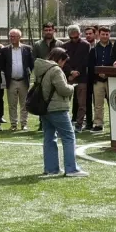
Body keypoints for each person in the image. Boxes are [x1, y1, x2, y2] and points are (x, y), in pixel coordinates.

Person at [32, 47, 84, 177]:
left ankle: (51, 169)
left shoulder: (40, 68)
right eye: (64, 61)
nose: (64, 64)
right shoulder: (55, 70)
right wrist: (72, 87)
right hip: (57, 108)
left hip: (44, 108)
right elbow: (63, 90)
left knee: (49, 138)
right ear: (60, 59)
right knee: (68, 137)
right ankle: (72, 169)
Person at [1, 29, 34, 130]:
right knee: (12, 104)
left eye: (14, 36)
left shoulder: (27, 49)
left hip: (23, 80)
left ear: (20, 37)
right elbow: (2, 65)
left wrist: (30, 74)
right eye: (10, 36)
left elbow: (31, 64)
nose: (12, 38)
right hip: (11, 81)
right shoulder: (5, 50)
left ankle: (24, 124)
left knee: (24, 104)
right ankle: (13, 124)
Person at [62, 25, 93, 132]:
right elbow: (63, 62)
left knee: (82, 103)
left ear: (80, 35)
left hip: (82, 77)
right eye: (72, 38)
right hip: (68, 77)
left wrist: (76, 72)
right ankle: (65, 124)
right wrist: (70, 72)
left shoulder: (86, 45)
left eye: (76, 37)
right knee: (64, 102)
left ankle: (79, 124)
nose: (74, 39)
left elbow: (85, 61)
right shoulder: (64, 45)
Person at [87, 26, 115, 132]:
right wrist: (98, 74)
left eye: (107, 34)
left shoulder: (114, 48)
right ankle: (98, 124)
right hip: (97, 80)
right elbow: (91, 65)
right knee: (98, 104)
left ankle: (115, 122)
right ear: (99, 35)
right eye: (103, 34)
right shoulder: (93, 49)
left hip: (111, 79)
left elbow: (115, 62)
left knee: (113, 103)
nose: (105, 36)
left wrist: (108, 74)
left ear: (109, 35)